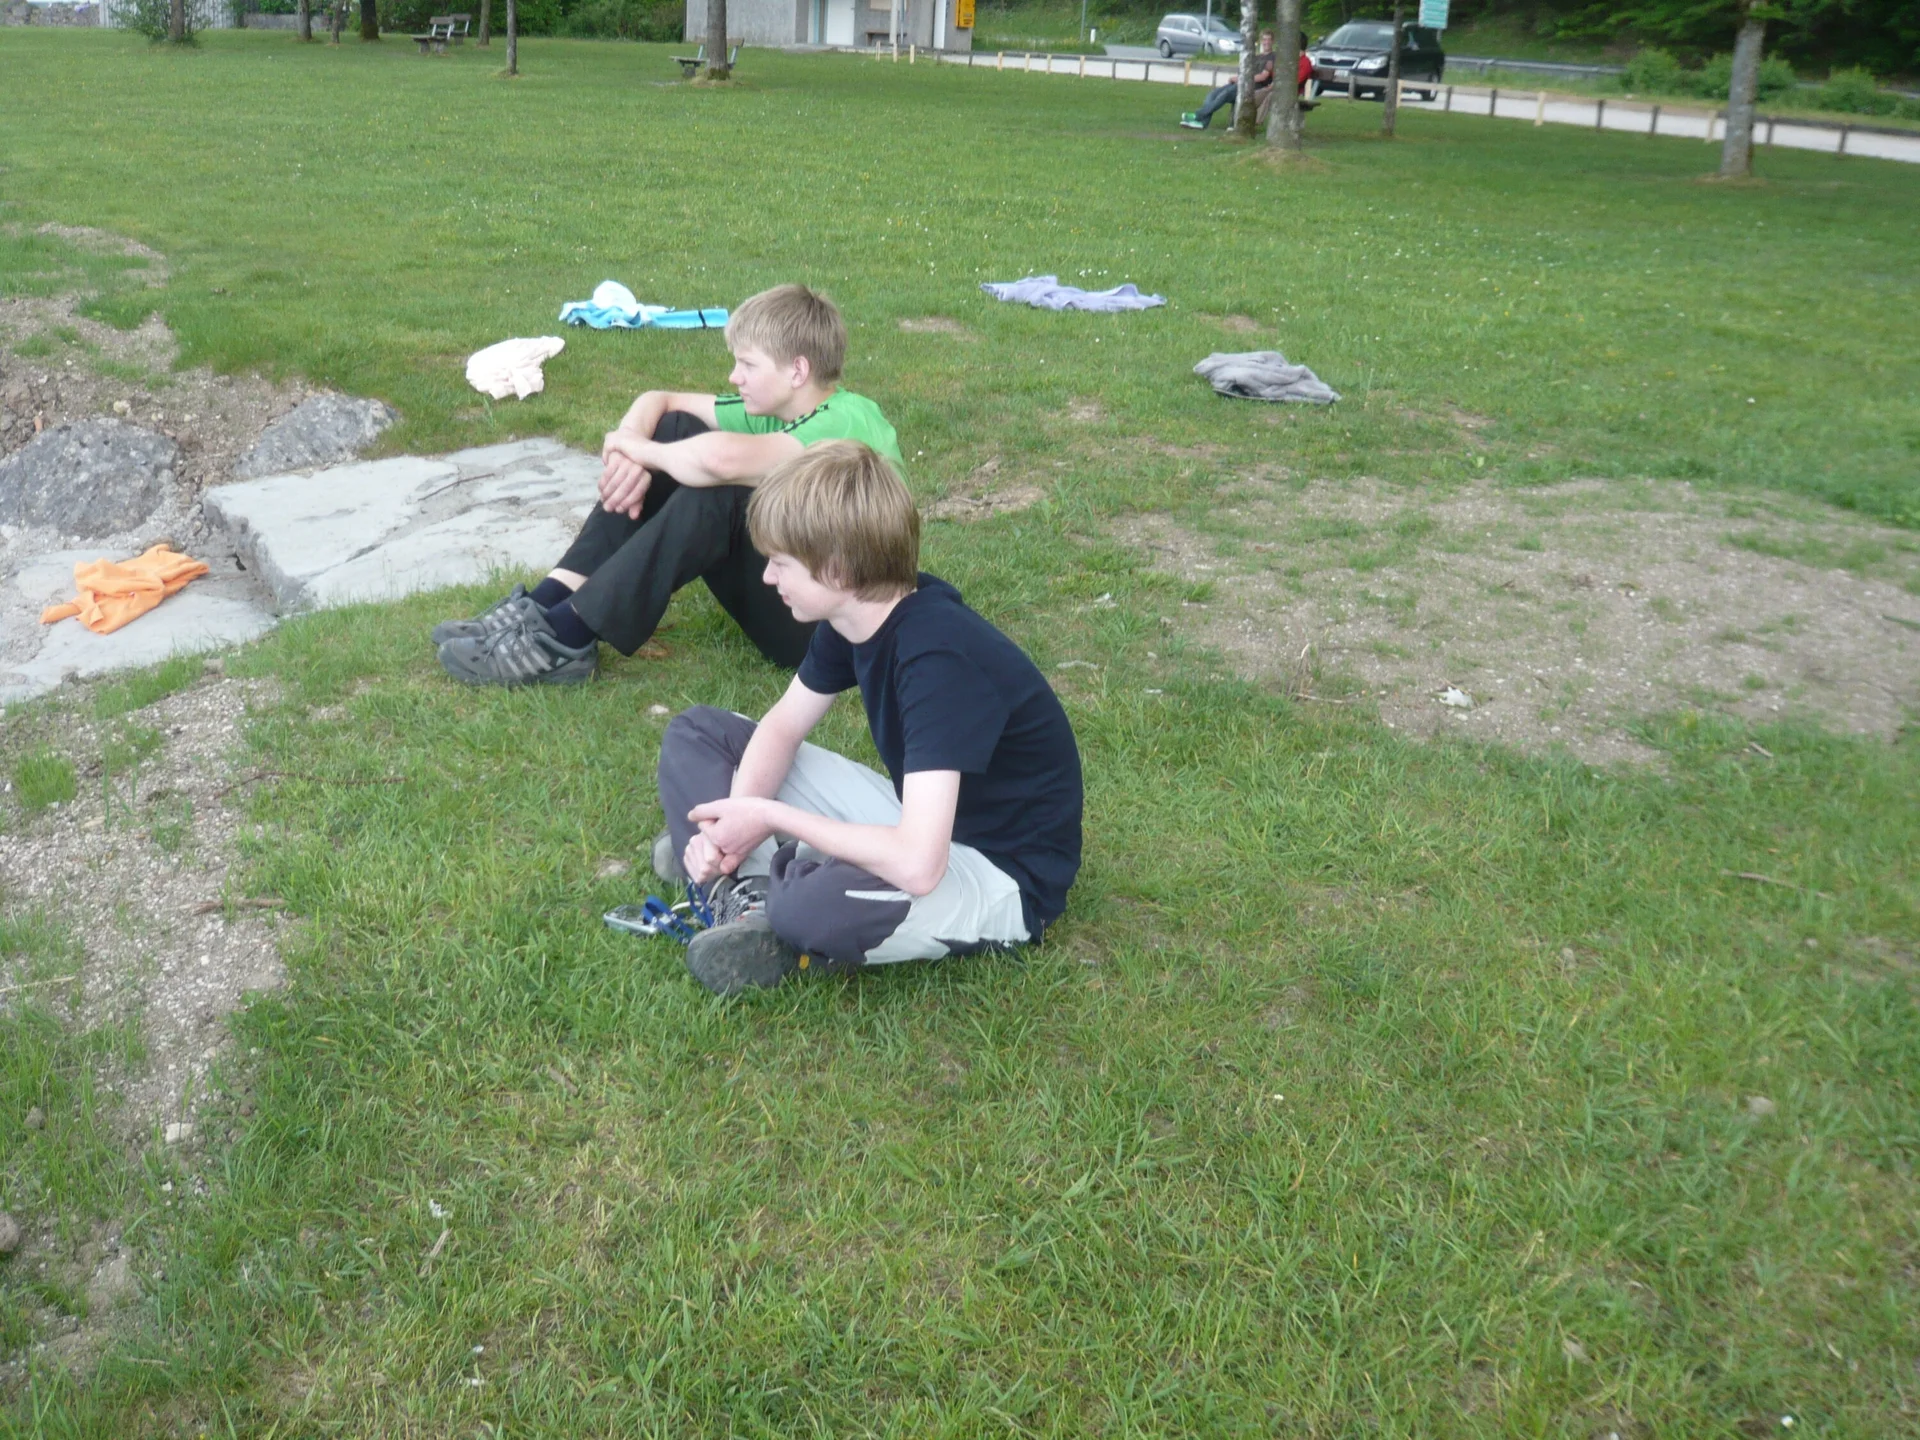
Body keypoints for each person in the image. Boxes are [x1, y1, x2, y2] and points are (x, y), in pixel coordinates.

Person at [653, 441, 1083, 997]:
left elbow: (920, 865)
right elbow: (783, 726)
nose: (768, 578)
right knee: (700, 733)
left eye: (780, 563)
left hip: (999, 877)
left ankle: (758, 884)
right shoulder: (857, 616)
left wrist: (765, 813)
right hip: (923, 821)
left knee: (811, 905)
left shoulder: (936, 658)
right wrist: (742, 814)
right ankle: (744, 887)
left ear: (837, 569)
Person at [433, 284, 901, 687]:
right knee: (676, 429)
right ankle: (548, 601)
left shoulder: (846, 421)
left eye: (748, 365)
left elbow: (719, 461)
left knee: (721, 494)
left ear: (797, 371)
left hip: (838, 628)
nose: (734, 377)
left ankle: (566, 635)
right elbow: (661, 400)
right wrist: (632, 445)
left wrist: (639, 451)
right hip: (801, 595)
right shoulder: (783, 410)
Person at [1180, 31, 1275, 130]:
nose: (1266, 42)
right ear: (1261, 41)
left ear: (1272, 42)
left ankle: (1198, 116)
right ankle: (1202, 123)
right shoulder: (1257, 57)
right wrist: (1237, 78)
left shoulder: (1272, 57)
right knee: (1213, 94)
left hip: (1253, 87)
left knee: (1225, 94)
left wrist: (1240, 79)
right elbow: (1247, 72)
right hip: (1242, 83)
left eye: (1269, 40)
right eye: (1264, 39)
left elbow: (1263, 76)